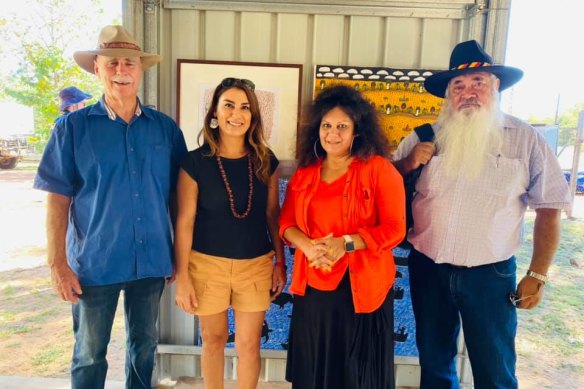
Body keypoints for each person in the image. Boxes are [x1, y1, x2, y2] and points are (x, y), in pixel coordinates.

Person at [392, 40, 571, 388]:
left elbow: (550, 207)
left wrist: (538, 274)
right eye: (458, 85)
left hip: (490, 277)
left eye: (479, 82)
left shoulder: (526, 140)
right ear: (448, 94)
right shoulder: (423, 137)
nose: (468, 92)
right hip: (429, 269)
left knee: (495, 369)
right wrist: (410, 162)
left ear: (496, 86)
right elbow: (383, 184)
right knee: (435, 363)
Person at [33, 25, 187, 389]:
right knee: (89, 353)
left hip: (150, 261)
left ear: (140, 69)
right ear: (97, 69)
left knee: (144, 347)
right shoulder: (71, 129)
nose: (122, 70)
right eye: (112, 62)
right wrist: (57, 263)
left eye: (129, 63)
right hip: (93, 262)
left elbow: (180, 199)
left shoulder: (165, 130)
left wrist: (180, 256)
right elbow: (57, 199)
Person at [279, 84, 406, 389]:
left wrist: (346, 243)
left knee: (356, 374)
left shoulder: (380, 170)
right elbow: (285, 223)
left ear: (357, 132)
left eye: (341, 126)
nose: (332, 133)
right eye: (326, 125)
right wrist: (307, 246)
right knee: (315, 368)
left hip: (361, 287)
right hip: (314, 282)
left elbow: (395, 229)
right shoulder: (306, 171)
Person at [173, 77, 286, 389]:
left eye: (245, 107)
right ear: (215, 113)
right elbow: (185, 221)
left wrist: (280, 262)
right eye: (229, 105)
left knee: (249, 345)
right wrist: (182, 277)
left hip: (256, 265)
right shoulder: (194, 162)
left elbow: (272, 214)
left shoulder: (266, 160)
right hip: (206, 265)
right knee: (213, 339)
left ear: (253, 116)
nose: (237, 113)